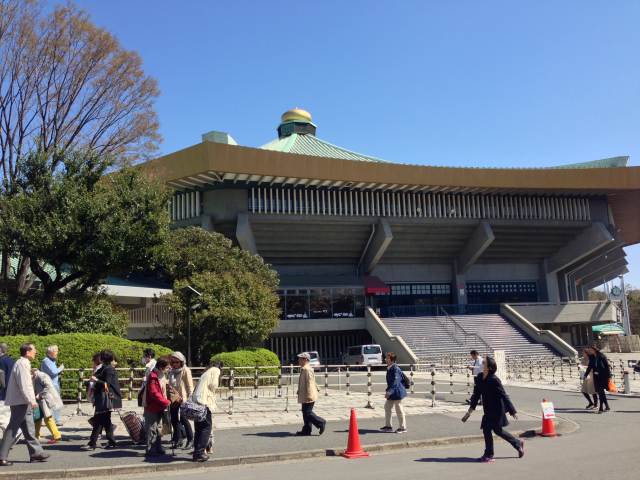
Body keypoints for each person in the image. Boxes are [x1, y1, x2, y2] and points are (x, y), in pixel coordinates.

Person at [461, 356, 524, 463]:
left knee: (488, 430)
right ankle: (517, 443)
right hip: (488, 409)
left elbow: (504, 395)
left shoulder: (494, 380)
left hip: (497, 409)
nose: (482, 364)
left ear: (489, 368)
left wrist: (512, 410)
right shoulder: (480, 377)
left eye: (484, 363)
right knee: (497, 431)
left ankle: (489, 454)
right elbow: (476, 395)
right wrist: (470, 410)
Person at [0, 343, 49, 466]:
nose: (35, 352)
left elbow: (24, 383)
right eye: (34, 350)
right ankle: (1, 457)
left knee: (29, 429)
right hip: (21, 401)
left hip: (20, 401)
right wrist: (32, 400)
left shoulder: (22, 363)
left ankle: (36, 453)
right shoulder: (23, 364)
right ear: (27, 351)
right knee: (12, 429)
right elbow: (25, 385)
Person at [82, 350, 122, 450]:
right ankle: (111, 442)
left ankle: (92, 443)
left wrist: (96, 380)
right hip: (102, 398)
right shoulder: (104, 368)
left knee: (99, 421)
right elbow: (97, 376)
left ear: (104, 358)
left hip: (106, 398)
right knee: (105, 421)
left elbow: (106, 384)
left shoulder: (109, 369)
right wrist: (89, 382)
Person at [191, 361, 221, 462]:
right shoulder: (215, 370)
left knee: (198, 429)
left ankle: (196, 452)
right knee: (206, 428)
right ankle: (200, 453)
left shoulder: (206, 372)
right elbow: (214, 385)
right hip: (205, 403)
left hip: (196, 402)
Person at [142, 356, 171, 457]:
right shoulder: (153, 376)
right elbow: (154, 393)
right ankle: (150, 449)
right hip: (152, 406)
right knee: (152, 428)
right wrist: (165, 401)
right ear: (161, 367)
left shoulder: (161, 375)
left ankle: (158, 447)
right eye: (167, 367)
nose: (169, 368)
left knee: (158, 427)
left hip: (159, 405)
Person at [295, 352, 326, 436]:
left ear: (305, 359)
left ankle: (321, 422)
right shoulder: (305, 368)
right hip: (306, 393)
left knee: (307, 412)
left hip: (308, 394)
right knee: (305, 413)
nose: (298, 360)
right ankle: (306, 430)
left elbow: (310, 383)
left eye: (300, 359)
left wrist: (309, 394)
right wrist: (299, 390)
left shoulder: (306, 369)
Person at [167, 351, 194, 449]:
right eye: (172, 362)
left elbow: (190, 386)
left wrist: (190, 399)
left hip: (183, 398)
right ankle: (178, 439)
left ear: (181, 361)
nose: (174, 364)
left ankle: (191, 440)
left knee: (184, 419)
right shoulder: (171, 371)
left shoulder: (185, 370)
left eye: (176, 362)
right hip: (174, 398)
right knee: (173, 419)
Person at [31, 369, 63, 444]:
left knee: (48, 418)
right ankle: (36, 435)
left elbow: (48, 386)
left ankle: (57, 436)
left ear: (32, 373)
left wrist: (40, 394)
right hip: (41, 400)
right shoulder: (37, 376)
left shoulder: (41, 376)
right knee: (38, 418)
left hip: (45, 400)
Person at [380, 352, 407, 433]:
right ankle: (388, 426)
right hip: (392, 392)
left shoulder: (395, 369)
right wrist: (389, 391)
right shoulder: (389, 367)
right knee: (387, 407)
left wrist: (389, 392)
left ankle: (403, 427)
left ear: (391, 360)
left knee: (399, 408)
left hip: (397, 392)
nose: (385, 359)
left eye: (387, 358)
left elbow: (396, 381)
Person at [40, 345, 65, 426]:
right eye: (56, 351)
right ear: (51, 352)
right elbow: (54, 372)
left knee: (56, 402)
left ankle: (56, 420)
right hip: (51, 385)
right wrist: (61, 368)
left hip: (54, 383)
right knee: (53, 402)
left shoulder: (51, 360)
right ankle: (55, 420)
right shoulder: (46, 361)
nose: (57, 353)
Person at [583, 345, 611, 413]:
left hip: (602, 376)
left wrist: (608, 376)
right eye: (589, 350)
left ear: (594, 350)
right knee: (601, 392)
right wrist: (585, 375)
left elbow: (606, 367)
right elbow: (590, 367)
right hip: (596, 377)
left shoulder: (601, 356)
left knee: (601, 392)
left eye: (591, 350)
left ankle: (601, 408)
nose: (590, 351)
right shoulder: (592, 357)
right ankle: (607, 406)